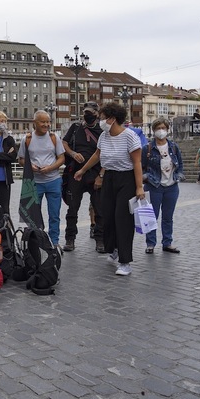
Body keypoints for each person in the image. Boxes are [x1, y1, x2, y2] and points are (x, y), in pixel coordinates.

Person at [74, 103, 145, 276]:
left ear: (113, 119)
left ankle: (125, 261)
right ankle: (112, 248)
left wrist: (139, 187)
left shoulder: (130, 137)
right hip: (109, 178)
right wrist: (82, 170)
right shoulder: (104, 136)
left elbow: (137, 163)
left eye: (103, 117)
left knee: (123, 219)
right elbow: (97, 155)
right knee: (107, 216)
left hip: (126, 179)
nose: (101, 120)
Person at [18, 110, 65, 249]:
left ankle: (54, 242)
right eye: (42, 122)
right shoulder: (27, 139)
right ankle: (37, 241)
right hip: (34, 183)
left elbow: (61, 158)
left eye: (48, 122)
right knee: (33, 215)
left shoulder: (54, 137)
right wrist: (29, 166)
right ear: (35, 123)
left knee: (54, 214)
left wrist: (50, 168)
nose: (46, 124)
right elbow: (21, 159)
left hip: (54, 181)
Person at [62, 101, 104, 252]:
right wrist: (72, 153)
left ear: (97, 114)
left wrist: (101, 175)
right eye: (85, 113)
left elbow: (106, 153)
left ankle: (100, 239)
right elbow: (64, 143)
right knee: (72, 209)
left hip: (95, 174)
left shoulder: (102, 131)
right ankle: (70, 239)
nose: (88, 116)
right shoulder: (75, 128)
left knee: (99, 209)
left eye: (91, 113)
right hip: (76, 173)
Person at [141, 118, 184, 254]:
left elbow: (180, 164)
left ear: (167, 130)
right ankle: (150, 244)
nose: (161, 131)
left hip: (171, 186)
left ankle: (167, 242)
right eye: (158, 128)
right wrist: (146, 177)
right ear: (153, 131)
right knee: (151, 216)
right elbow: (141, 167)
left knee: (168, 217)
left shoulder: (173, 147)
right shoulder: (147, 148)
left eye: (163, 128)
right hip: (154, 186)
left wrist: (179, 175)